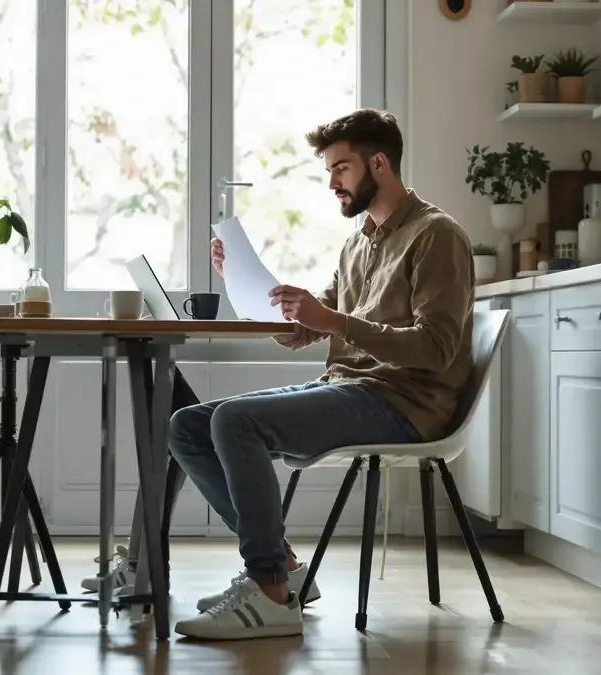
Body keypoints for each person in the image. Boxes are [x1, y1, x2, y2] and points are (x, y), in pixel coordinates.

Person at [86, 108, 475, 641]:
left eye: (340, 169)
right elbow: (309, 331)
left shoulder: (437, 235)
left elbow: (436, 349)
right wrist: (244, 284)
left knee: (236, 423)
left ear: (378, 163)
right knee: (188, 426)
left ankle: (269, 592)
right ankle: (284, 567)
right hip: (350, 388)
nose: (333, 183)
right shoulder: (359, 241)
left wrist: (333, 320)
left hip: (406, 403)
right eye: (329, 172)